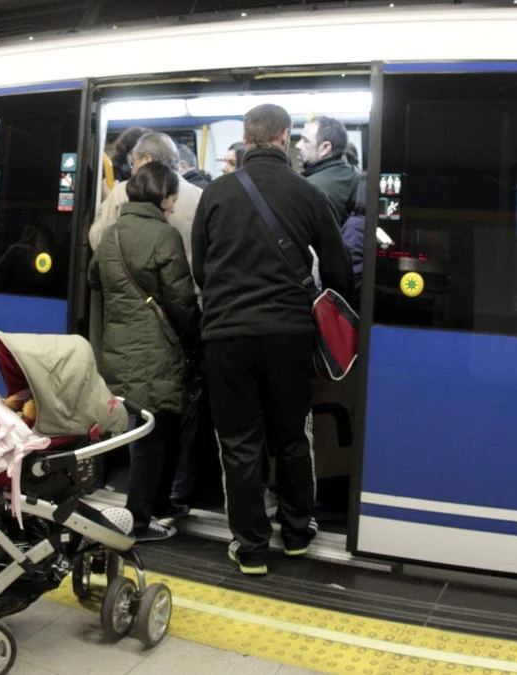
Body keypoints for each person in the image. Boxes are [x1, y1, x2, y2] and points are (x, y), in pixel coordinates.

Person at [191, 103, 352, 575]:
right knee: (292, 436)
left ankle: (251, 548)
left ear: (248, 136)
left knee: (239, 444)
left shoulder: (216, 194)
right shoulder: (307, 192)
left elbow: (200, 267)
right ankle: (298, 533)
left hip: (226, 336)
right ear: (283, 138)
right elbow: (339, 269)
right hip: (288, 333)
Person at [90, 162, 200, 541]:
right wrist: (196, 338)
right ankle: (138, 520)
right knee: (154, 437)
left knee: (143, 431)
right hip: (156, 351)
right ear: (163, 196)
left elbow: (94, 277)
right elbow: (182, 302)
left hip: (118, 350)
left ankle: (156, 507)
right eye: (172, 197)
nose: (172, 204)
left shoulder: (111, 235)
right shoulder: (164, 236)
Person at [89, 132, 202, 262]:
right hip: (186, 280)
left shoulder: (123, 191)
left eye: (134, 162)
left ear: (147, 160)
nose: (132, 170)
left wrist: (109, 199)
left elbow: (98, 240)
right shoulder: (200, 195)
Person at [297, 116, 361, 228]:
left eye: (305, 141)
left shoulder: (308, 188)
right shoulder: (357, 176)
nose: (298, 145)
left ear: (325, 148)